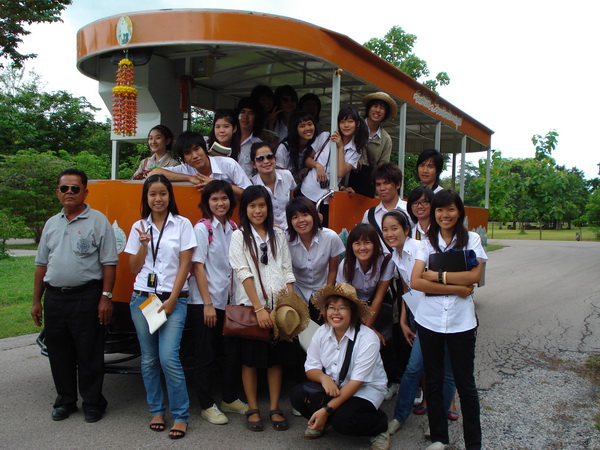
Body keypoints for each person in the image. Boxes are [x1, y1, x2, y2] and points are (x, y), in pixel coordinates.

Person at [32, 168, 118, 423]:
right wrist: (36, 301)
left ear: (85, 192)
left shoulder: (98, 221)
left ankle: (93, 403)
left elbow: (109, 262)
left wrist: (106, 297)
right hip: (55, 297)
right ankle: (65, 401)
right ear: (57, 192)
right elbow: (41, 264)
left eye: (75, 188)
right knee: (59, 353)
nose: (69, 192)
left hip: (87, 296)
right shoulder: (51, 223)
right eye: (64, 188)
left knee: (89, 353)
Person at [410, 189, 487, 450]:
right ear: (434, 213)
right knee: (433, 381)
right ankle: (439, 438)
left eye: (451, 209)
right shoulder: (426, 242)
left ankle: (473, 443)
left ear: (459, 212)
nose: (445, 215)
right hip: (429, 321)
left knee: (466, 385)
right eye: (440, 210)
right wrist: (457, 288)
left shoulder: (471, 239)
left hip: (461, 322)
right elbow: (416, 281)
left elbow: (475, 276)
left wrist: (438, 276)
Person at [124, 174, 196, 439]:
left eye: (162, 193)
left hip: (173, 299)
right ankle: (156, 410)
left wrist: (173, 299)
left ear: (169, 196)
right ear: (146, 198)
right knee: (149, 359)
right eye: (152, 194)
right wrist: (143, 246)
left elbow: (185, 264)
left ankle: (180, 415)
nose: (158, 199)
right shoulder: (139, 227)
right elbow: (133, 268)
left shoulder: (182, 224)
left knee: (169, 358)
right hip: (143, 299)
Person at [380, 211, 456, 437]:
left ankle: (438, 424)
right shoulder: (396, 255)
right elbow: (407, 288)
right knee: (413, 369)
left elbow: (427, 282)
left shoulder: (419, 249)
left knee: (445, 371)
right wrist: (404, 320)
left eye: (394, 228)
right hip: (421, 316)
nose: (389, 233)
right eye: (385, 229)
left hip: (444, 314)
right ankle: (399, 417)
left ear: (406, 230)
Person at [289, 283, 390, 450]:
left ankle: (380, 426)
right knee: (298, 396)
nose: (335, 313)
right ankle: (325, 421)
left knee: (343, 421)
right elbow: (311, 367)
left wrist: (326, 410)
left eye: (342, 308)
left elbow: (356, 383)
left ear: (353, 312)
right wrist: (323, 378)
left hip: (363, 390)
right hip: (334, 385)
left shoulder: (368, 339)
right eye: (331, 308)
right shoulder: (322, 332)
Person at [228, 185, 296, 432]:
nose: (258, 210)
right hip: (251, 308)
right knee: (250, 361)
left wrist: (288, 306)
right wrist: (258, 308)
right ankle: (253, 408)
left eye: (262, 205)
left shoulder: (278, 235)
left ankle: (275, 408)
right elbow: (242, 272)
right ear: (245, 209)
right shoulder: (239, 236)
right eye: (252, 206)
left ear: (268, 207)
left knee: (275, 361)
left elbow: (287, 270)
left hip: (279, 308)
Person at [187, 180, 248, 425]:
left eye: (224, 198)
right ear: (207, 203)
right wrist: (207, 304)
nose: (220, 203)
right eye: (214, 199)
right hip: (205, 302)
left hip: (227, 302)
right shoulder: (202, 229)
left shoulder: (232, 228)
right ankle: (205, 405)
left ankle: (229, 399)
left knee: (230, 353)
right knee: (205, 355)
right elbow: (198, 266)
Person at [286, 197, 344, 322]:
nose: (301, 220)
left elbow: (333, 271)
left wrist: (326, 300)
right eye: (295, 217)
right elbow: (286, 272)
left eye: (305, 215)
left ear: (313, 215)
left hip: (323, 289)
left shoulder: (330, 237)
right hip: (298, 291)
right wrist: (292, 300)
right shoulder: (286, 240)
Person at [300, 108, 362, 226]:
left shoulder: (356, 151)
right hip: (307, 192)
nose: (346, 125)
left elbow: (340, 173)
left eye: (350, 121)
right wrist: (318, 166)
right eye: (342, 121)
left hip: (327, 199)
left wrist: (341, 148)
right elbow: (307, 159)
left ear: (357, 124)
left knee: (323, 231)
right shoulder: (325, 136)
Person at [150, 131, 251, 199]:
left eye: (196, 149)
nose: (194, 156)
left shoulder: (228, 164)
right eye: (187, 153)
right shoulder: (186, 168)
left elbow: (250, 194)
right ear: (184, 159)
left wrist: (218, 184)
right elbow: (154, 173)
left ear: (205, 149)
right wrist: (189, 178)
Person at [349, 92, 397, 198]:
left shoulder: (386, 139)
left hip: (367, 184)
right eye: (375, 106)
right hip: (347, 177)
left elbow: (382, 167)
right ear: (369, 108)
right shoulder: (354, 126)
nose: (378, 110)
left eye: (382, 108)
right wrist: (353, 159)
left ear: (385, 113)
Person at [362, 162, 410, 253]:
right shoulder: (369, 214)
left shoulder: (409, 210)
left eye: (386, 183)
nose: (382, 188)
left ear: (398, 184)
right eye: (378, 184)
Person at [250, 141, 295, 230]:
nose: (266, 161)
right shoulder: (251, 185)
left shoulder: (287, 175)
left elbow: (292, 202)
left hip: (291, 229)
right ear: (254, 164)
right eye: (260, 159)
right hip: (267, 231)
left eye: (269, 157)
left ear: (275, 159)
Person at [275, 110, 328, 182]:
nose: (308, 128)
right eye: (302, 126)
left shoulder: (316, 142)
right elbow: (278, 174)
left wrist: (318, 165)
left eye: (310, 124)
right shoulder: (284, 147)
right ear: (295, 129)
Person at [237, 97, 265, 177]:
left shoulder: (258, 144)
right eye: (243, 112)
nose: (245, 116)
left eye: (250, 113)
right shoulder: (227, 138)